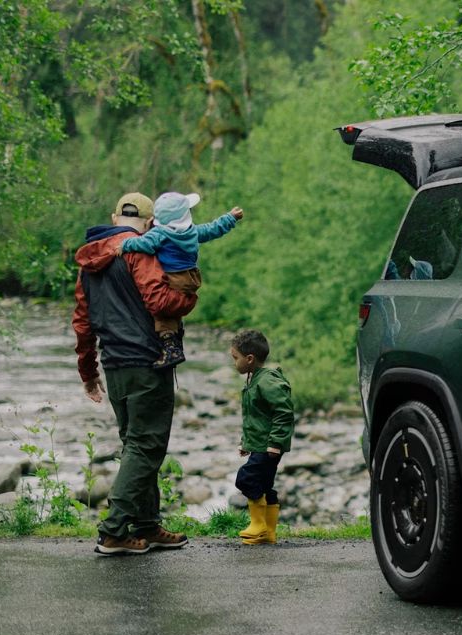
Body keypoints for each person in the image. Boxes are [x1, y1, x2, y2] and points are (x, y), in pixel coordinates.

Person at [73, 192, 195, 556]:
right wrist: (189, 299)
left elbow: (82, 322)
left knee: (136, 444)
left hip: (114, 365)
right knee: (146, 445)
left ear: (114, 217)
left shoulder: (89, 261)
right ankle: (113, 530)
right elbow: (160, 302)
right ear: (149, 222)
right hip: (147, 362)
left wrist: (88, 371)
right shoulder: (141, 250)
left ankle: (145, 525)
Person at [119, 192, 243, 368]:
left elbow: (143, 244)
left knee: (162, 312)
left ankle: (171, 350)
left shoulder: (160, 234)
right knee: (174, 311)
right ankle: (177, 338)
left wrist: (125, 244)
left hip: (174, 277)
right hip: (191, 277)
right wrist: (230, 218)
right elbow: (213, 229)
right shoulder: (193, 231)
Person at [230, 329, 295, 545]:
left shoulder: (267, 381)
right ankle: (268, 533)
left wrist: (276, 443)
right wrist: (246, 442)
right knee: (265, 485)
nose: (234, 363)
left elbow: (283, 412)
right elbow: (256, 416)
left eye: (235, 358)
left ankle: (258, 526)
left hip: (269, 447)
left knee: (246, 478)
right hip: (260, 445)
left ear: (249, 359)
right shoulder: (253, 378)